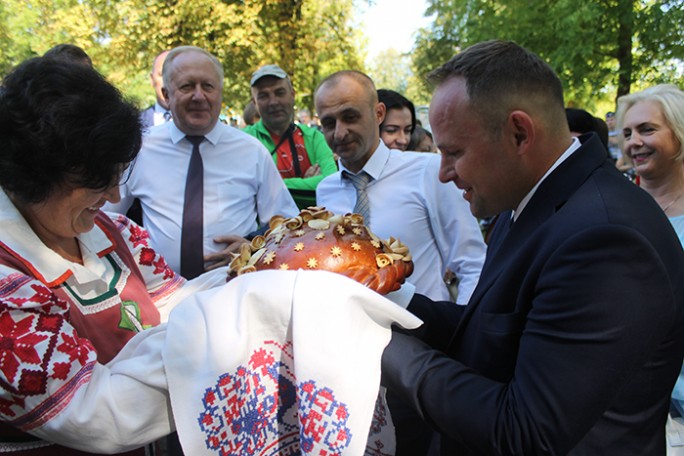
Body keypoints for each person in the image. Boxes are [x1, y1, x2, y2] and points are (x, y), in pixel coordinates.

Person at [381, 40, 684, 455]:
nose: (444, 173)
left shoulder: (607, 239)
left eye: (454, 152)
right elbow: (490, 330)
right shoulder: (522, 199)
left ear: (519, 133)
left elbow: (527, 431)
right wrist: (383, 301)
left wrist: (381, 347)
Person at [0, 56, 228, 456]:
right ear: (36, 175)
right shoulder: (7, 292)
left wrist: (244, 282)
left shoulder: (115, 234)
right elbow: (101, 415)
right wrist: (233, 333)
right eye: (96, 181)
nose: (114, 197)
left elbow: (175, 303)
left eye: (117, 174)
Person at [314, 70, 487, 455]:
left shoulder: (429, 173)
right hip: (347, 359)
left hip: (421, 351)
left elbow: (472, 262)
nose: (339, 133)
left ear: (378, 112)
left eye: (349, 117)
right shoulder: (325, 191)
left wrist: (465, 339)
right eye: (328, 123)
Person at [105, 47, 298, 280]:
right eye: (187, 86)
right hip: (159, 296)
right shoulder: (139, 149)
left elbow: (288, 226)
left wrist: (252, 245)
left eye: (208, 86)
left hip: (231, 293)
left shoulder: (252, 151)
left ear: (220, 93)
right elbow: (105, 219)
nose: (199, 96)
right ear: (166, 94)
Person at [616, 84, 684, 453]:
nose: (634, 142)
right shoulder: (614, 206)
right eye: (627, 133)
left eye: (647, 129)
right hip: (631, 404)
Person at [243, 64, 338, 209]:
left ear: (292, 95)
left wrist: (266, 185)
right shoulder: (244, 140)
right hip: (265, 230)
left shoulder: (314, 137)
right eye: (263, 96)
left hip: (314, 227)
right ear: (254, 103)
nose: (273, 102)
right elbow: (244, 189)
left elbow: (331, 180)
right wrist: (305, 183)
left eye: (280, 93)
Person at [140, 50, 172, 130]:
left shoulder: (201, 123)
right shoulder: (136, 123)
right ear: (152, 79)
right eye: (162, 74)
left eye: (174, 74)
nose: (167, 81)